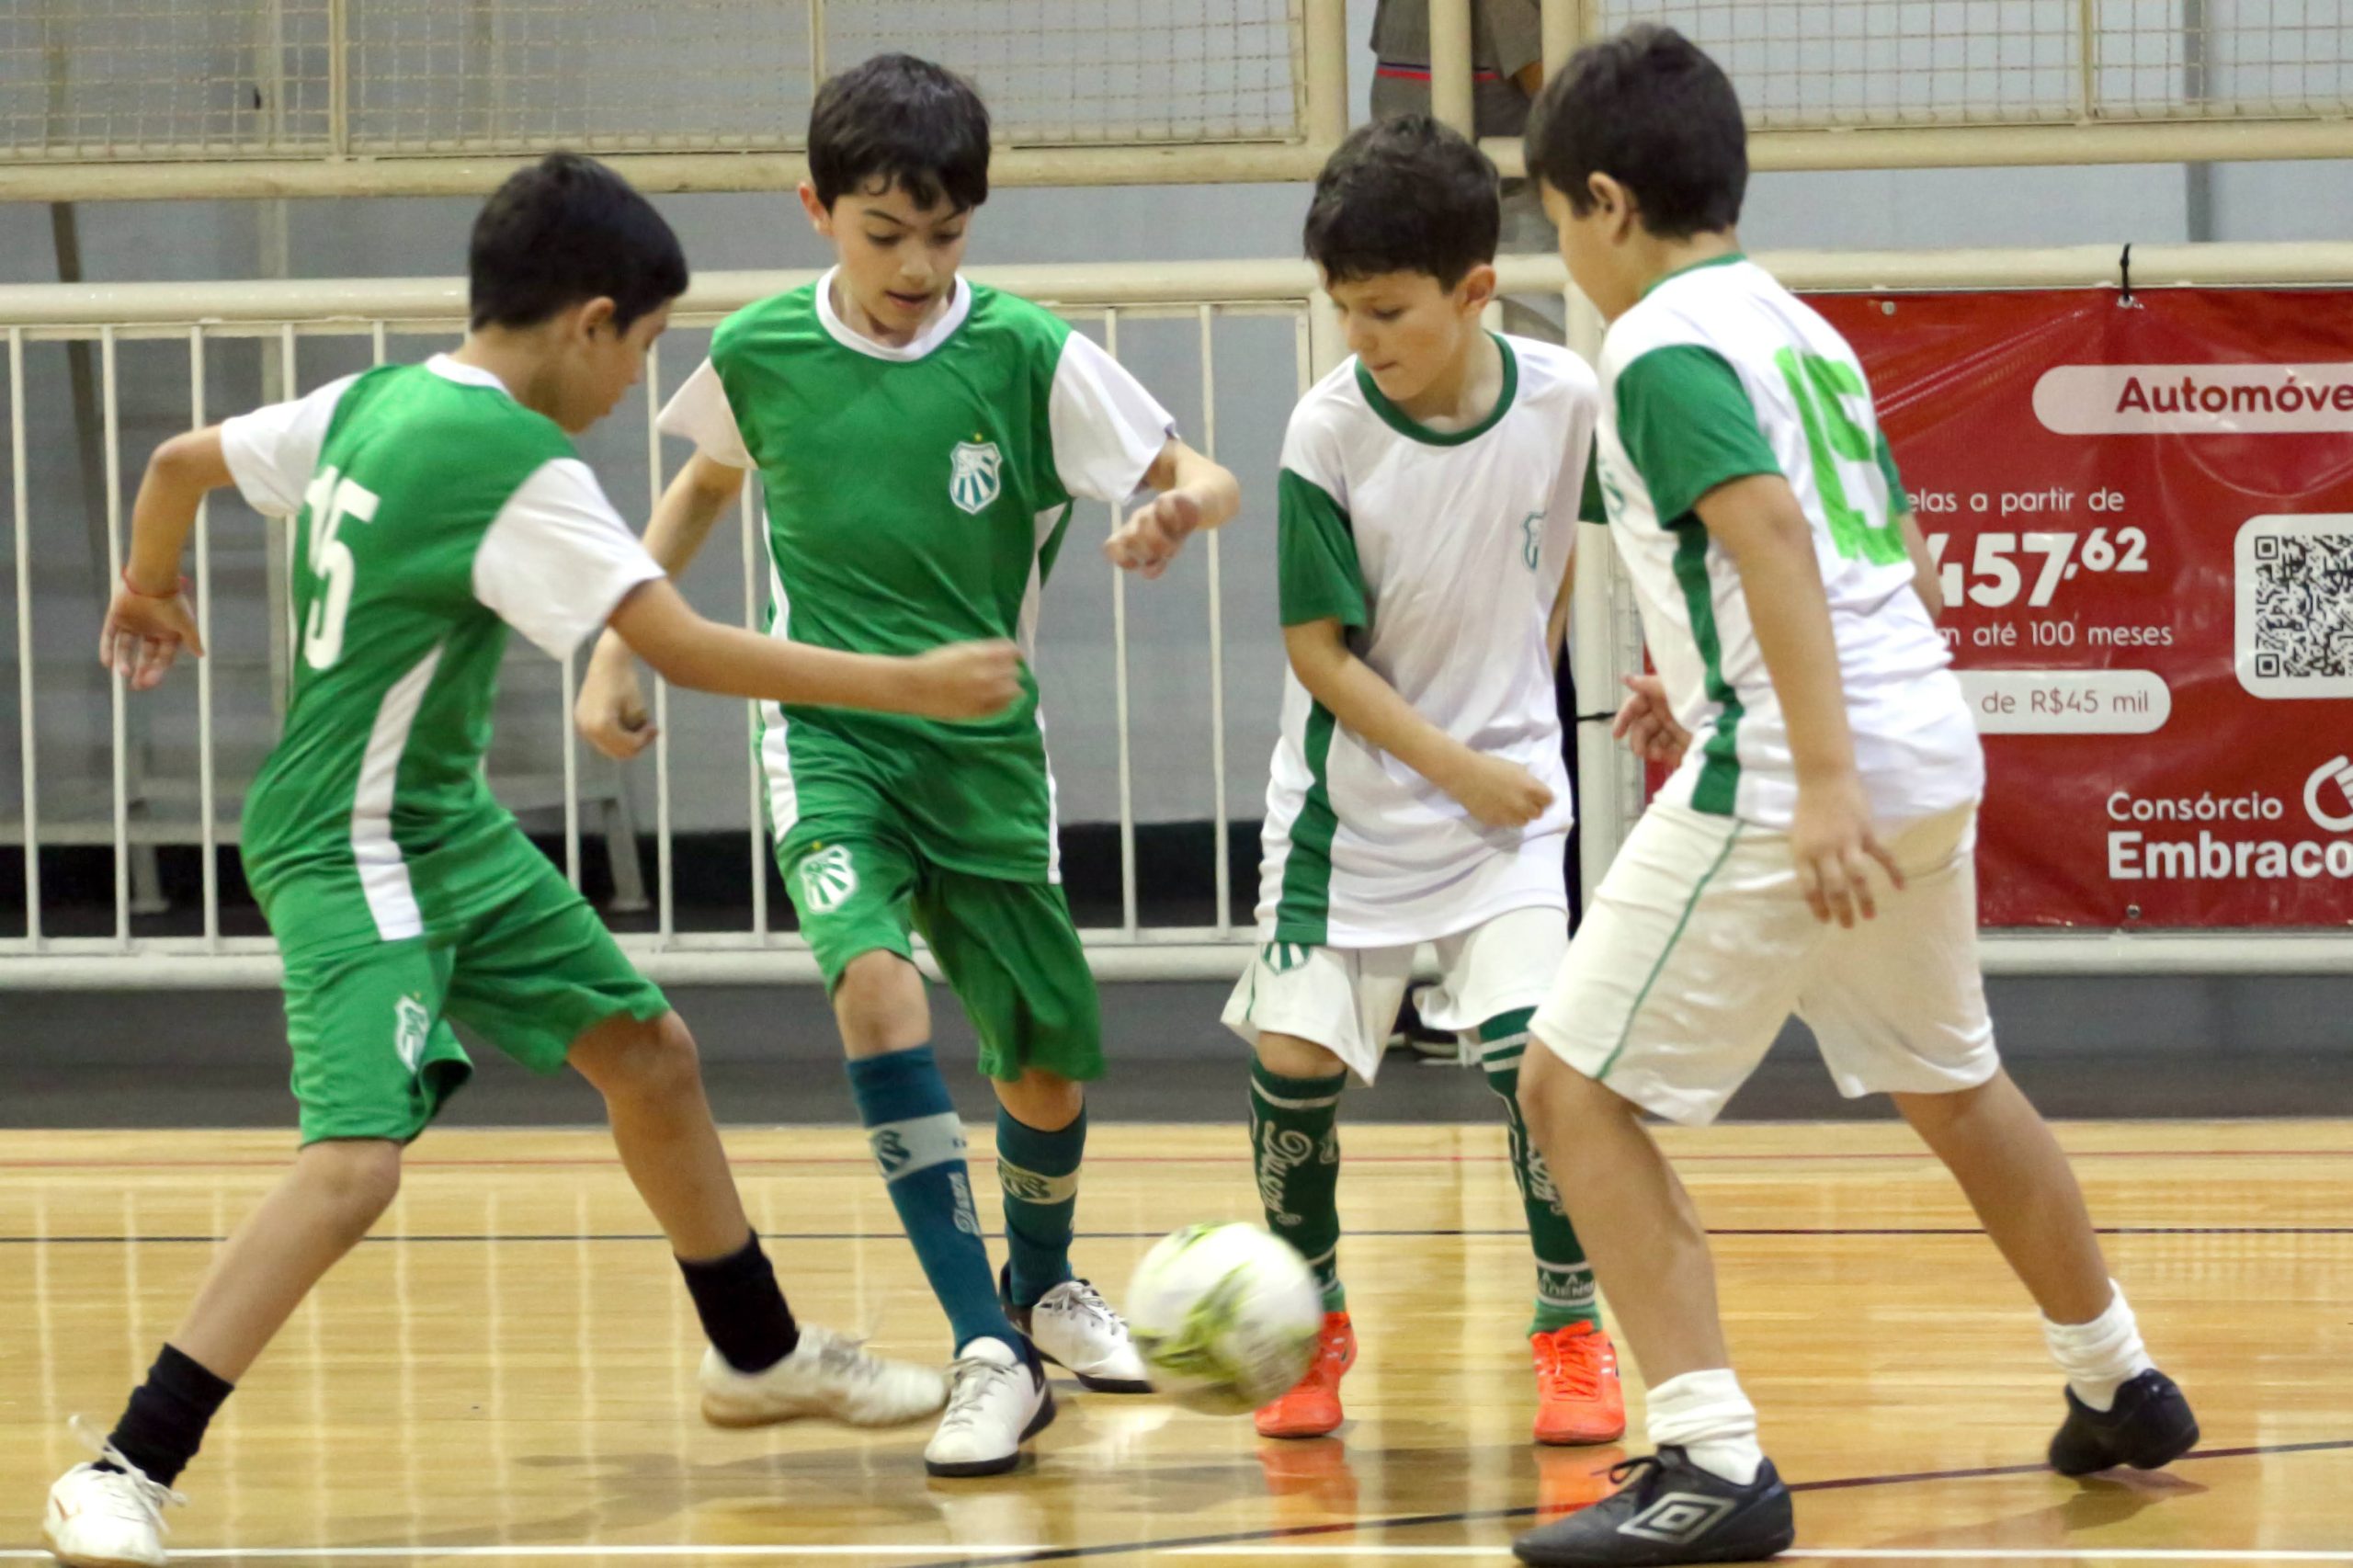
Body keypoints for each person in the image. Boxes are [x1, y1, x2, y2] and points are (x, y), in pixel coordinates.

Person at [42, 153, 1024, 1568]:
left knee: (649, 1053)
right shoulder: (516, 460)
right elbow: (680, 646)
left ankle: (756, 1353)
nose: (637, 383)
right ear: (590, 322)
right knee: (353, 1168)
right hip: (353, 841)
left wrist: (147, 581)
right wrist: (913, 683)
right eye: (643, 348)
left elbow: (178, 465)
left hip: (439, 821)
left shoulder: (383, 396)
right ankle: (124, 1461)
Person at [1508, 28, 2200, 1566]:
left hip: (1810, 767)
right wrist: (1687, 684)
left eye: (1553, 217)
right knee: (1956, 1081)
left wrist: (1811, 772)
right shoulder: (1795, 326)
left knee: (1572, 1090)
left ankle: (1710, 1458)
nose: (1562, 249)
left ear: (1608, 201)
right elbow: (1843, 541)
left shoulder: (1660, 342)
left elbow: (1763, 530)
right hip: (1916, 739)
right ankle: (2118, 1378)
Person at [573, 54, 1242, 1478]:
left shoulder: (1024, 352)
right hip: (825, 732)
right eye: (888, 234)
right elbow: (701, 481)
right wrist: (617, 645)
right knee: (872, 984)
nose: (920, 266)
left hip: (987, 745)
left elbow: (1206, 470)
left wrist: (1177, 509)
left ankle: (1041, 1283)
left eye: (947, 235)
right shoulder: (757, 352)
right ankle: (983, 1346)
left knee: (1047, 1057)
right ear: (818, 209)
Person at [1222, 116, 1620, 1449]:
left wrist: (1549, 705)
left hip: (1500, 818)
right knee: (1291, 1068)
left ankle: (1570, 1328)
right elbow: (1317, 656)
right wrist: (1461, 761)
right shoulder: (1324, 430)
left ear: (1473, 290)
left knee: (1535, 1068)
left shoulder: (1567, 397)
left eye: (1387, 310)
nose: (1363, 337)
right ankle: (1311, 1327)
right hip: (1354, 817)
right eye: (1344, 310)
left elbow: (1572, 549)